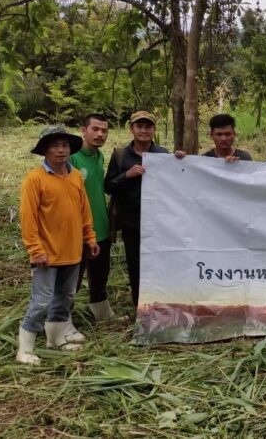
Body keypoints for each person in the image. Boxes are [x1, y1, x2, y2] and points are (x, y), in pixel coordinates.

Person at [17, 126, 99, 364]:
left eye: (64, 145)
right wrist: (35, 249)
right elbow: (28, 218)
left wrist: (90, 238)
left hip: (73, 252)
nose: (61, 150)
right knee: (41, 301)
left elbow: (84, 212)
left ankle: (56, 338)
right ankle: (25, 349)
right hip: (46, 254)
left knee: (65, 298)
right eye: (55, 145)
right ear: (44, 150)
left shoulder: (75, 177)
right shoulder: (35, 179)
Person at [104, 111, 169, 308]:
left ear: (153, 130)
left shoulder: (163, 155)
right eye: (139, 126)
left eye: (148, 126)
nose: (143, 130)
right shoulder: (120, 156)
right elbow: (108, 186)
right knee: (136, 266)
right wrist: (127, 175)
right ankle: (140, 307)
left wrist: (180, 160)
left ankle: (162, 304)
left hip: (160, 223)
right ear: (131, 129)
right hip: (132, 223)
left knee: (160, 264)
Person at [70, 113, 115, 322]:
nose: (100, 134)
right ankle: (61, 320)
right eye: (95, 129)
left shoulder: (99, 156)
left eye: (104, 130)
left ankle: (102, 314)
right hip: (78, 231)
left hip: (101, 228)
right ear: (83, 130)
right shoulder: (71, 158)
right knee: (72, 279)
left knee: (100, 275)